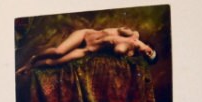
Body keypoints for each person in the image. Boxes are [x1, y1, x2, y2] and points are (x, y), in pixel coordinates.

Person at [16, 26, 157, 75]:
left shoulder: (130, 52)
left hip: (86, 50)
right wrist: (132, 38)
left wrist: (131, 45)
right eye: (149, 51)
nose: (146, 52)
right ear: (150, 47)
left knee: (52, 63)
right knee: (58, 51)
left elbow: (118, 50)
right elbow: (120, 30)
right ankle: (33, 58)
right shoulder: (134, 34)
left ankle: (31, 67)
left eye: (147, 56)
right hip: (85, 35)